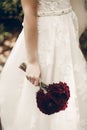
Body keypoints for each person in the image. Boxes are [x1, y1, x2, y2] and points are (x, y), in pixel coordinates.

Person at [0, 0, 87, 130]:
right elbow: (30, 14)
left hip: (66, 38)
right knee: (39, 98)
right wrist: (33, 61)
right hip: (44, 41)